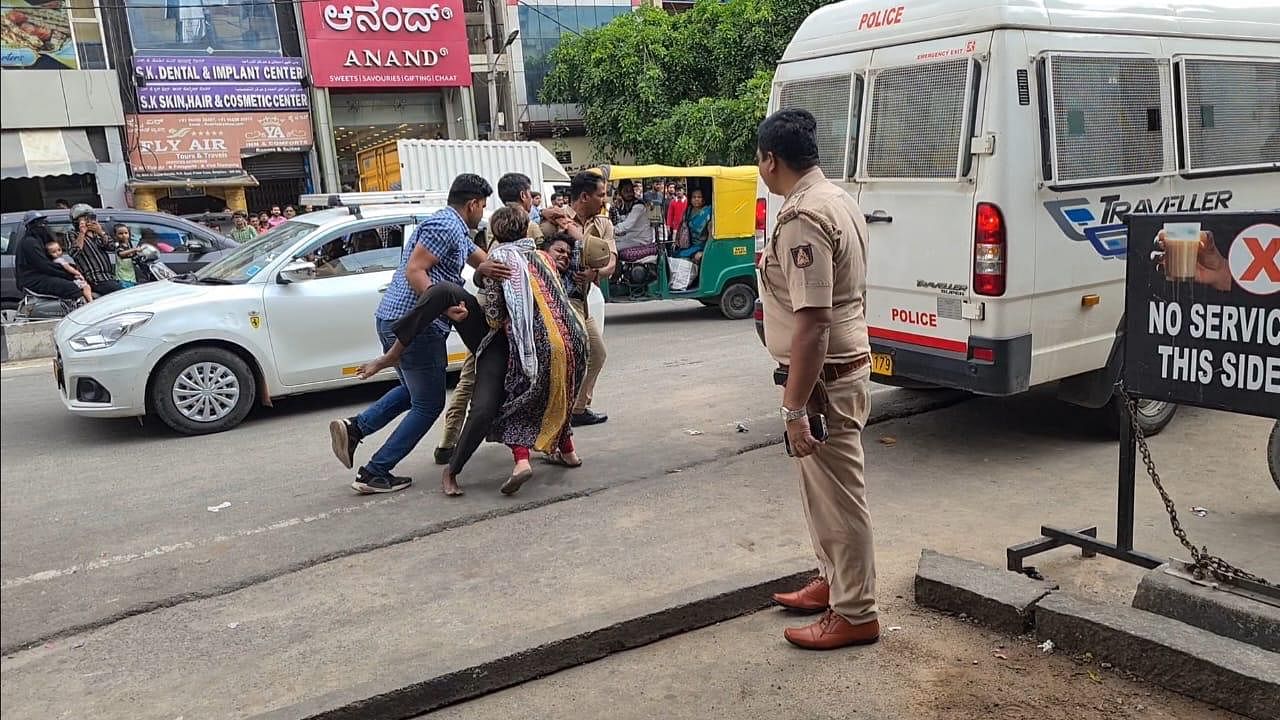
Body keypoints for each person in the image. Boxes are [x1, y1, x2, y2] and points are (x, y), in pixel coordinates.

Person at [757, 109, 878, 650]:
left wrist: (793, 407)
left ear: (769, 159)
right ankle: (833, 583)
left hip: (824, 379)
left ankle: (856, 613)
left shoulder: (803, 216)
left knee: (840, 498)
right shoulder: (838, 197)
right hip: (834, 371)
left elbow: (813, 321)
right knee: (824, 495)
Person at [362, 212, 588, 497]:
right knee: (538, 398)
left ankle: (455, 470)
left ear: (493, 236)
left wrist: (477, 295)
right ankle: (562, 453)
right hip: (555, 346)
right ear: (528, 235)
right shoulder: (544, 260)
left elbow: (493, 318)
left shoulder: (499, 262)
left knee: (485, 407)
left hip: (505, 345)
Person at [327, 173, 510, 495]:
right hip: (415, 323)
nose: (483, 212)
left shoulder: (452, 224)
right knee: (428, 404)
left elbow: (474, 256)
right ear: (472, 204)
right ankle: (375, 471)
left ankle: (357, 428)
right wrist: (443, 308)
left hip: (396, 318)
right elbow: (415, 269)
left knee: (413, 391)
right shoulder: (444, 226)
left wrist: (504, 266)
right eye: (482, 205)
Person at [434, 171, 545, 465]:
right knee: (514, 383)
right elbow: (498, 301)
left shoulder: (492, 238)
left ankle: (448, 442)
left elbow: (483, 275)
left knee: (469, 381)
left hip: (490, 320)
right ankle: (536, 447)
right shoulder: (527, 242)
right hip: (499, 327)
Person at [539, 171, 615, 427]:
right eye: (600, 195)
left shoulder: (603, 224)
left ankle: (578, 408)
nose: (604, 200)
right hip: (558, 302)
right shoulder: (553, 221)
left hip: (583, 302)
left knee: (597, 354)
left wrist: (596, 273)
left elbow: (611, 261)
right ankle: (559, 413)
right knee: (569, 357)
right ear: (584, 196)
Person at [13, 212, 85, 302]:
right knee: (71, 287)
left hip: (38, 276)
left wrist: (72, 269)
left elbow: (52, 261)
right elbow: (45, 266)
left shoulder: (39, 240)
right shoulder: (30, 242)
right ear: (31, 226)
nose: (43, 226)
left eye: (43, 223)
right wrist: (68, 275)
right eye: (39, 224)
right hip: (32, 279)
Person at [67, 204, 123, 295]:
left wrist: (100, 232)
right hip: (95, 278)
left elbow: (112, 247)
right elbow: (74, 252)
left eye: (90, 218)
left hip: (109, 276)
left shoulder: (97, 233)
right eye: (84, 219)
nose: (88, 221)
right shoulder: (72, 234)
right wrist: (82, 233)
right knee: (121, 293)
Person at [45, 238, 95, 304]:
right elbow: (68, 268)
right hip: (72, 279)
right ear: (49, 254)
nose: (57, 253)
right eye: (54, 252)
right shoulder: (59, 260)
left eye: (59, 250)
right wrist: (77, 273)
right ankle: (90, 301)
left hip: (68, 279)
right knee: (86, 286)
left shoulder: (55, 261)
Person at [612, 180, 653, 255]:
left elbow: (626, 226)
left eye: (631, 190)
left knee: (611, 248)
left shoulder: (638, 206)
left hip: (641, 240)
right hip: (631, 237)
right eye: (626, 191)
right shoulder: (624, 206)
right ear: (620, 193)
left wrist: (609, 229)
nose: (629, 193)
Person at [111, 223, 146, 288]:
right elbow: (121, 254)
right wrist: (135, 250)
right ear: (115, 236)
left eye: (126, 233)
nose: (124, 235)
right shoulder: (118, 246)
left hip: (131, 277)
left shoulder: (129, 246)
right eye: (120, 234)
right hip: (122, 277)